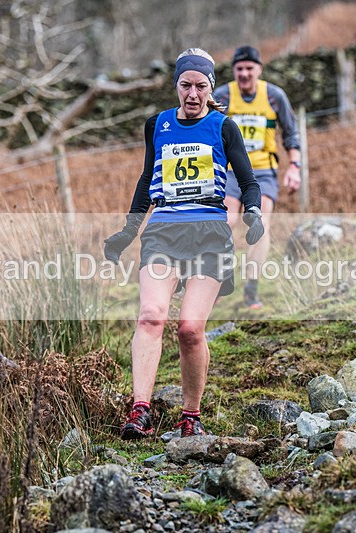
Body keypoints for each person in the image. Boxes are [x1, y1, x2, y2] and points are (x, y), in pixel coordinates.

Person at [103, 48, 263, 439]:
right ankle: (140, 410)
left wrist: (253, 213)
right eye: (186, 85)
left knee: (190, 329)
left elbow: (249, 181)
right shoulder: (156, 125)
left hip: (209, 233)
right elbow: (146, 182)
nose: (193, 94)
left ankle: (190, 415)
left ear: (210, 89)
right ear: (176, 85)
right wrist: (128, 231)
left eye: (201, 87)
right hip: (164, 232)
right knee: (151, 315)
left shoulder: (224, 127)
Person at [213, 45, 301, 309]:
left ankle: (252, 289)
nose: (244, 74)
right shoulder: (221, 96)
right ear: (234, 71)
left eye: (249, 68)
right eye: (239, 69)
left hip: (263, 171)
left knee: (259, 221)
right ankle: (220, 280)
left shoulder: (275, 96)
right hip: (229, 171)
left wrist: (294, 166)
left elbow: (291, 133)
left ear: (259, 70)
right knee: (225, 221)